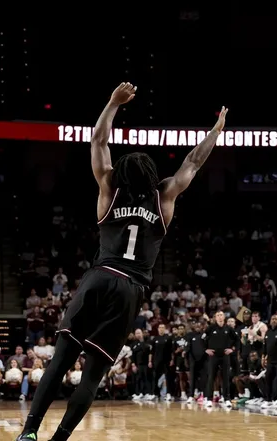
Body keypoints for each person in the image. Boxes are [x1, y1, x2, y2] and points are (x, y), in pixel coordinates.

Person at [16, 82, 228, 441]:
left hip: (99, 278)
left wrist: (112, 103)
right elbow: (193, 160)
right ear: (151, 176)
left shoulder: (108, 191)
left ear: (121, 175)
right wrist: (216, 132)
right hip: (129, 290)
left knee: (60, 362)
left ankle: (29, 433)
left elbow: (98, 142)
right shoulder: (165, 198)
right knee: (92, 376)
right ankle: (58, 439)